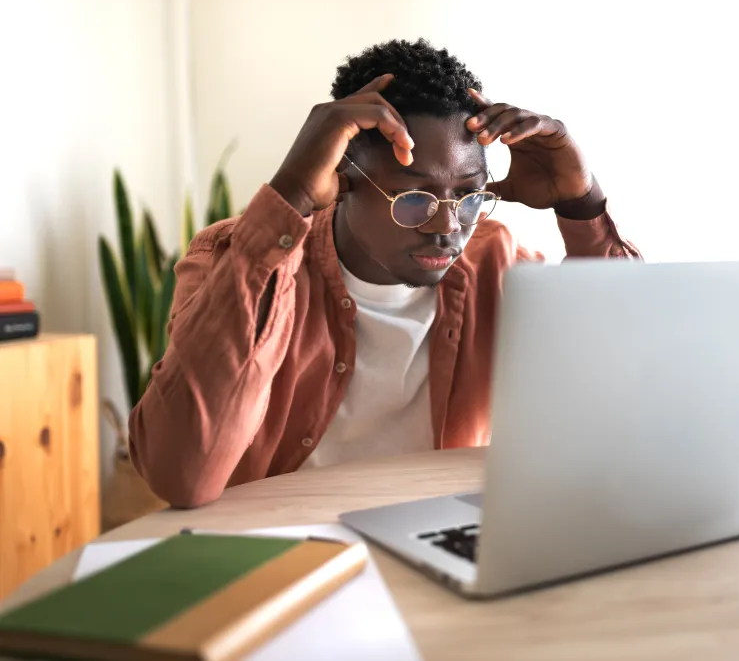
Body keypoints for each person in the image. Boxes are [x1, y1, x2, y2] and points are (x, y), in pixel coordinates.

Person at [128, 38, 641, 508]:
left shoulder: (497, 265)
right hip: (273, 548)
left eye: (468, 196)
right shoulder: (234, 256)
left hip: (432, 542)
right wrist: (290, 197)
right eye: (413, 198)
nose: (447, 226)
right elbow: (183, 475)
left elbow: (627, 391)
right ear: (342, 176)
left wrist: (582, 204)